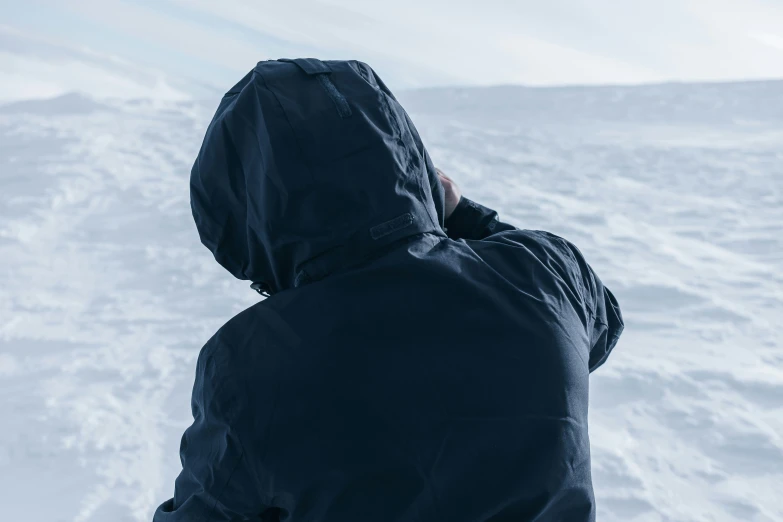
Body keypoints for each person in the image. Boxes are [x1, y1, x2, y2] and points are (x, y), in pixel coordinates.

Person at [153, 58, 624, 522]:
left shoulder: (250, 365)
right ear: (405, 150)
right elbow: (600, 328)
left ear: (240, 205)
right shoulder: (547, 272)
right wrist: (460, 216)